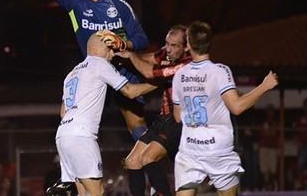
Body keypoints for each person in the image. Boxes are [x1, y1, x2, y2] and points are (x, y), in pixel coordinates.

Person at [0, 0, 150, 143]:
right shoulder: (74, 0)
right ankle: (74, 166)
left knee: (136, 126)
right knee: (70, 119)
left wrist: (123, 44)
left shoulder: (119, 5)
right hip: (94, 72)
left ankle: (148, 168)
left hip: (122, 69)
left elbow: (142, 39)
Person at [171, 21, 279, 196]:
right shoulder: (219, 71)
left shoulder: (179, 75)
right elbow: (237, 107)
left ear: (188, 46)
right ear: (209, 43)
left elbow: (177, 117)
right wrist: (265, 86)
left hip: (189, 150)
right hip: (218, 151)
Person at [55, 30, 157, 196]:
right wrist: (161, 81)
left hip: (63, 135)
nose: (112, 54)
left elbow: (62, 112)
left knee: (82, 192)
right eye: (109, 49)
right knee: (97, 192)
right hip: (81, 136)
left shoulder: (71, 73)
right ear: (95, 50)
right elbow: (130, 91)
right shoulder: (99, 64)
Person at [116, 25, 192, 196]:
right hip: (163, 119)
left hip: (178, 121)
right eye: (167, 44)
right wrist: (122, 57)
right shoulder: (167, 53)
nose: (168, 49)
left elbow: (150, 72)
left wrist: (131, 56)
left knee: (147, 158)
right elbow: (151, 58)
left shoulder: (187, 64)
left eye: (174, 46)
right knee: (132, 161)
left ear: (186, 47)